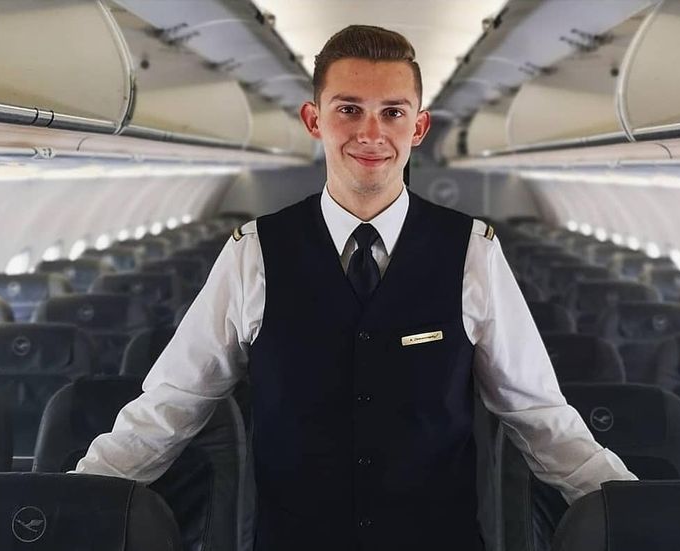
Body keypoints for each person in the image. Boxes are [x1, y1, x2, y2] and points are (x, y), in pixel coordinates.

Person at [75, 24, 636, 551]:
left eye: (393, 112)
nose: (371, 133)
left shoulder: (473, 252)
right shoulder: (253, 252)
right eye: (349, 109)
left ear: (418, 127)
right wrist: (70, 500)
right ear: (314, 119)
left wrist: (630, 508)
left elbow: (538, 415)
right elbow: (172, 404)